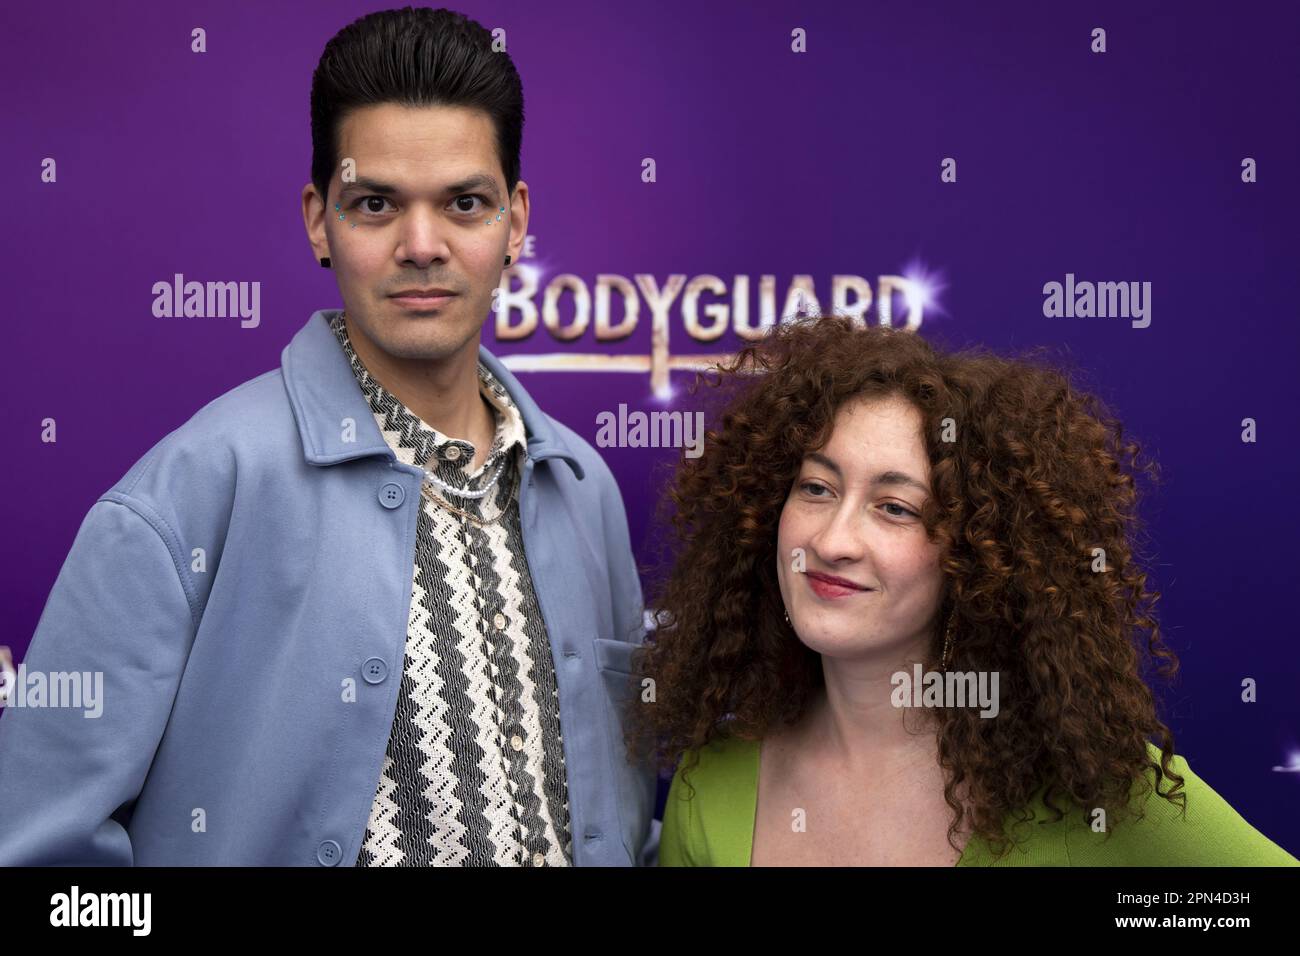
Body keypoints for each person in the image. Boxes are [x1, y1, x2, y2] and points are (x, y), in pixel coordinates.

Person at [0, 7, 658, 867]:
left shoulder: (581, 487)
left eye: (465, 203)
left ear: (516, 221)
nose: (422, 246)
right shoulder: (189, 494)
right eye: (376, 204)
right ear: (320, 221)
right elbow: (45, 864)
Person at [627, 314, 1297, 866]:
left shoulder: (1092, 790)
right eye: (816, 488)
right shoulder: (707, 785)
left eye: (895, 507)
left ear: (978, 553)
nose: (832, 540)